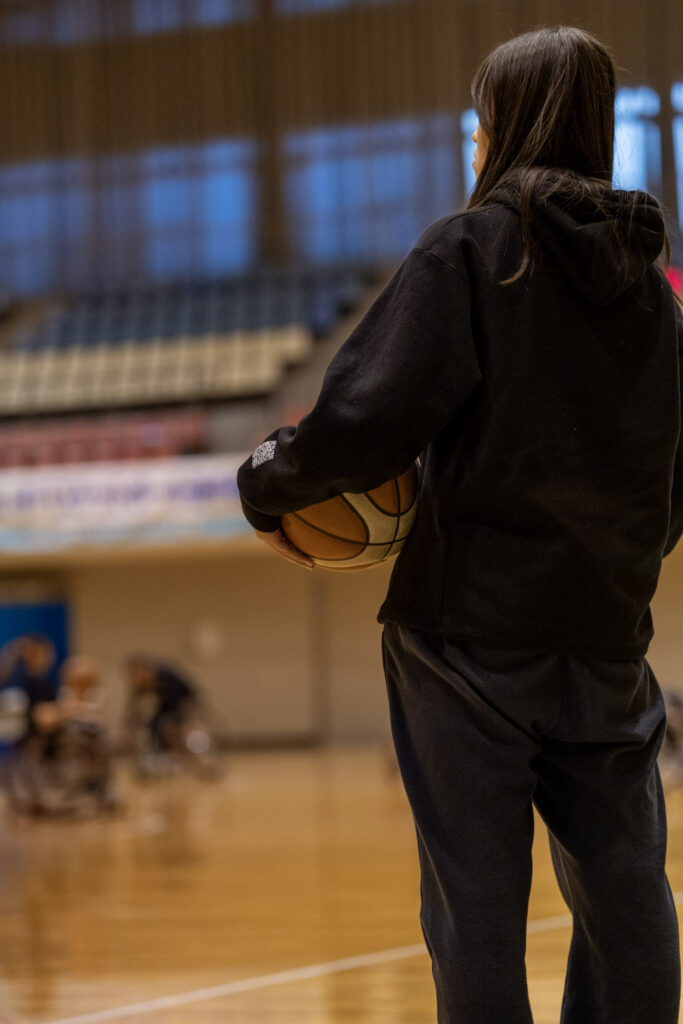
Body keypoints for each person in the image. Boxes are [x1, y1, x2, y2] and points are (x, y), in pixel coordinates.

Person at [237, 25, 683, 1024]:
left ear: (509, 123)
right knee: (626, 898)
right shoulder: (654, 298)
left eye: (482, 119)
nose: (476, 139)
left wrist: (265, 481)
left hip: (464, 638)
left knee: (473, 908)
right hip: (604, 637)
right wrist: (614, 563)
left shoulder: (473, 251)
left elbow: (362, 419)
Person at [123, 655, 198, 753]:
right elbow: (134, 702)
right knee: (153, 723)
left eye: (136, 673)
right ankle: (161, 749)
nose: (134, 678)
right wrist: (129, 721)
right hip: (167, 704)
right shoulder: (144, 683)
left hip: (182, 701)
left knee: (170, 725)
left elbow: (176, 699)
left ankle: (180, 749)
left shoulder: (163, 676)